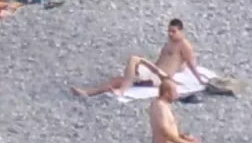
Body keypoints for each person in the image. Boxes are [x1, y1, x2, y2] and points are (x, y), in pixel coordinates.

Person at [71, 18, 207, 98]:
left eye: (174, 31)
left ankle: (122, 91)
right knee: (118, 79)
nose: (170, 34)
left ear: (181, 31)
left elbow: (191, 63)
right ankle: (88, 92)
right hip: (155, 72)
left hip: (160, 77)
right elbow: (173, 62)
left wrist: (200, 80)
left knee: (134, 59)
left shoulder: (184, 45)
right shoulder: (170, 43)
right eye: (169, 31)